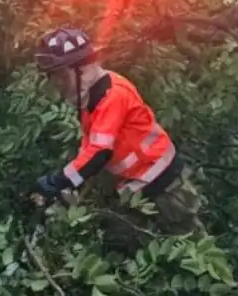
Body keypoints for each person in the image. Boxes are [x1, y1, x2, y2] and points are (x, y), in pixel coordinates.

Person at [33, 27, 201, 251]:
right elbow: (89, 148)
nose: (59, 84)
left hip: (164, 182)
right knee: (130, 245)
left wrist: (59, 180)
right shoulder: (89, 100)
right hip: (136, 186)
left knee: (191, 244)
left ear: (80, 68)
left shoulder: (112, 96)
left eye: (61, 76)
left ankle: (234, 283)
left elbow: (100, 152)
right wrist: (72, 184)